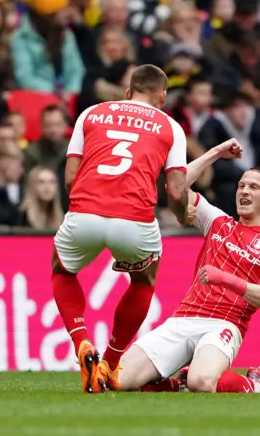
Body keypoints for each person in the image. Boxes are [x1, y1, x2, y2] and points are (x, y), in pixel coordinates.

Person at [99, 139, 260, 394]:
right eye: (241, 186)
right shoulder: (218, 222)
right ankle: (178, 383)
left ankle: (257, 384)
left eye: (254, 187)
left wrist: (224, 278)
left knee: (201, 382)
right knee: (118, 381)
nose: (244, 191)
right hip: (184, 318)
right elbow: (176, 187)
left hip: (225, 324)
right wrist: (215, 153)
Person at [52, 64, 189, 393]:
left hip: (85, 212)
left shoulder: (91, 113)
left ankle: (82, 341)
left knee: (62, 271)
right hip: (135, 220)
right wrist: (184, 215)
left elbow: (71, 178)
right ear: (163, 97)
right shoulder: (171, 127)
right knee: (144, 280)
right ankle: (111, 364)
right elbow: (176, 190)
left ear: (127, 92)